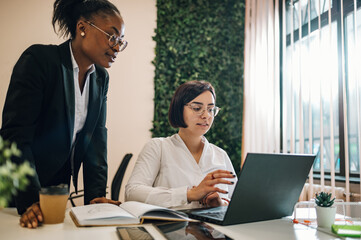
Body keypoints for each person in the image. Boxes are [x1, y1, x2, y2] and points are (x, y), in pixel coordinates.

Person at [0, 0, 127, 228]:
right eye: (112, 37)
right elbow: (15, 136)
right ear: (83, 28)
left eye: (120, 41)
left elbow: (96, 141)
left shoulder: (100, 78)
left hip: (57, 192)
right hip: (18, 192)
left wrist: (95, 200)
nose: (117, 47)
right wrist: (30, 200)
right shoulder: (40, 60)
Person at [125, 80, 237, 209]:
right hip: (168, 227)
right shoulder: (158, 147)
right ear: (179, 109)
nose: (206, 115)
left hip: (210, 228)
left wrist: (220, 203)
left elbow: (238, 204)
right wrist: (189, 194)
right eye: (197, 108)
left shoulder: (220, 155)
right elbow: (132, 192)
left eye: (211, 109)